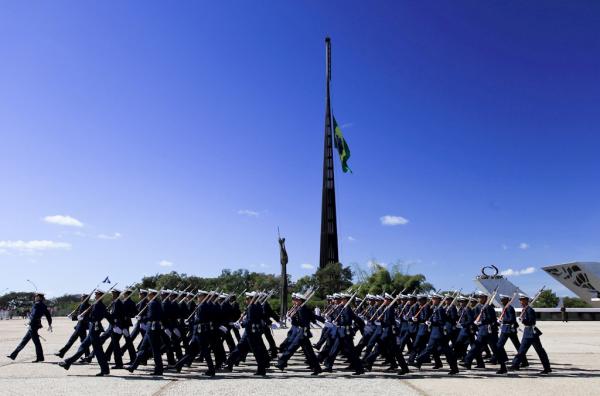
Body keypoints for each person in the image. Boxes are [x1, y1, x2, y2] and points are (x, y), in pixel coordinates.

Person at [60, 289, 111, 376]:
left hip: (94, 330)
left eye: (97, 294)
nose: (95, 296)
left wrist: (115, 325)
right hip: (92, 330)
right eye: (96, 294)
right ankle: (68, 362)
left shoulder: (100, 306)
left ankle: (105, 370)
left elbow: (95, 318)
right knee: (83, 347)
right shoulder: (96, 304)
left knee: (98, 351)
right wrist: (76, 318)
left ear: (100, 296)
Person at [275, 293, 323, 375]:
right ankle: (317, 368)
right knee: (309, 352)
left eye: (297, 300)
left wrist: (324, 320)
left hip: (302, 332)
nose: (295, 301)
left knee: (292, 348)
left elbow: (308, 319)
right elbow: (312, 317)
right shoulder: (301, 308)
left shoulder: (302, 309)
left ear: (301, 301)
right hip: (301, 332)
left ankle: (281, 363)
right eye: (296, 300)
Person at [462, 291, 508, 374]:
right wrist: (476, 323)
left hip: (490, 331)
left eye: (481, 297)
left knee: (496, 349)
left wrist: (484, 314)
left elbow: (492, 319)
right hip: (482, 330)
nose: (479, 299)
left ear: (485, 298)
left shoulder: (489, 307)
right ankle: (467, 362)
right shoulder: (478, 307)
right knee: (475, 347)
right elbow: (475, 317)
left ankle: (503, 366)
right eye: (479, 297)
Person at [414, 293, 459, 375]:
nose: (432, 300)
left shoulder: (440, 309)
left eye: (434, 299)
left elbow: (441, 322)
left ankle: (418, 361)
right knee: (442, 350)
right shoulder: (435, 308)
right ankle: (418, 362)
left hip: (438, 333)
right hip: (435, 332)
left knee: (442, 350)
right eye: (432, 298)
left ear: (438, 300)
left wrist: (432, 322)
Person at [509, 294, 552, 374]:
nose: (520, 302)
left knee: (538, 351)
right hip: (528, 332)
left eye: (522, 300)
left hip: (531, 333)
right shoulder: (525, 309)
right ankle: (515, 365)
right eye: (520, 300)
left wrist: (523, 320)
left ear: (526, 300)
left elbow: (532, 322)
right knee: (522, 350)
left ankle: (547, 367)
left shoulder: (529, 310)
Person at [127, 289, 164, 375]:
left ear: (152, 295)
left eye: (149, 294)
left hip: (152, 328)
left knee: (155, 350)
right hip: (151, 328)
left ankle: (159, 369)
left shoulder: (152, 304)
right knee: (142, 348)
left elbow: (150, 316)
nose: (147, 296)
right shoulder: (157, 303)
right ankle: (133, 366)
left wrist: (142, 318)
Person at [7, 292, 52, 362]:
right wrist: (50, 324)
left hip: (33, 325)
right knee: (24, 341)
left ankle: (40, 358)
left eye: (36, 297)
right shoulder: (43, 305)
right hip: (36, 325)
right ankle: (13, 355)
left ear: (39, 297)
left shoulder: (36, 305)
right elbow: (48, 315)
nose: (35, 298)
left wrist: (29, 324)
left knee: (36, 342)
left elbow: (34, 315)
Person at [496, 294, 528, 367]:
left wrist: (502, 320)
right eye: (501, 300)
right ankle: (524, 361)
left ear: (507, 300)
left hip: (509, 329)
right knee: (516, 346)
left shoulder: (510, 308)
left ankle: (501, 360)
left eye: (503, 300)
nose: (502, 301)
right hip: (506, 329)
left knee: (501, 345)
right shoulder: (505, 308)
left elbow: (512, 319)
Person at [55, 293, 90, 359]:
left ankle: (62, 353)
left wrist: (74, 318)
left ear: (85, 298)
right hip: (79, 326)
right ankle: (87, 356)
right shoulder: (82, 305)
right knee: (83, 342)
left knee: (72, 341)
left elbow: (84, 317)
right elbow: (78, 315)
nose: (81, 298)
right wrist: (72, 316)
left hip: (82, 326)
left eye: (82, 297)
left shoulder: (88, 306)